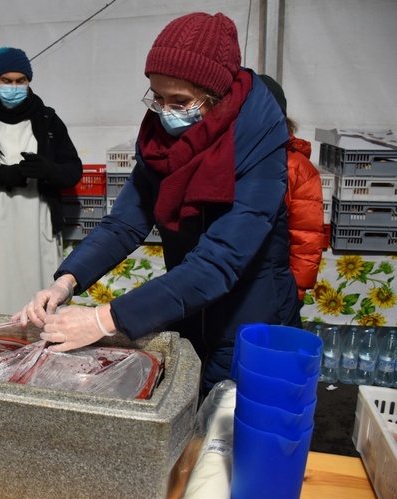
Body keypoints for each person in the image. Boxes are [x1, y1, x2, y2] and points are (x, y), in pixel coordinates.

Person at [16, 12, 301, 396]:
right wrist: (66, 282)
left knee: (229, 429)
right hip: (187, 309)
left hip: (248, 323)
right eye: (158, 97)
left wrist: (104, 320)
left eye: (180, 100)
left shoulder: (260, 146)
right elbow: (124, 224)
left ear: (216, 96)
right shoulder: (160, 142)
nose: (165, 111)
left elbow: (219, 262)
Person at [0, 47, 83, 314]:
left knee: (40, 297)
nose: (14, 86)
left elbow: (73, 170)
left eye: (20, 80)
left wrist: (48, 170)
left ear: (28, 81)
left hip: (38, 226)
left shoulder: (48, 121)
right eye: (7, 80)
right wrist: (2, 175)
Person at [259, 74, 327, 306]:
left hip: (276, 282)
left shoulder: (298, 167)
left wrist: (296, 290)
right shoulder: (232, 158)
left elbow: (307, 237)